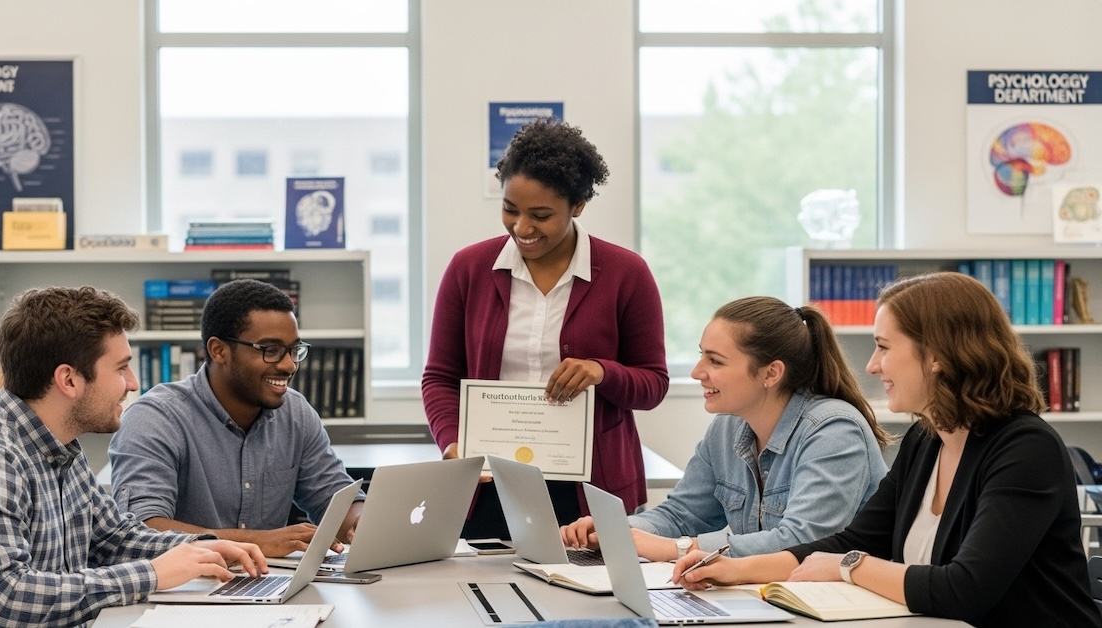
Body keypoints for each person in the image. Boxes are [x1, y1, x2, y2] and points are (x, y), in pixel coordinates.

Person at [673, 272, 1102, 627]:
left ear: (935, 355)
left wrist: (850, 566)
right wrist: (732, 569)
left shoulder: (1026, 449)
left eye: (883, 347)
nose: (873, 365)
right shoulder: (926, 439)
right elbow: (851, 540)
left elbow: (963, 590)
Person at [0, 286, 267, 626]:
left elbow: (113, 539)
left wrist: (202, 549)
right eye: (121, 368)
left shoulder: (59, 446)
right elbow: (5, 599)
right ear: (70, 380)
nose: (134, 383)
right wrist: (153, 575)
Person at [422, 118, 669, 538]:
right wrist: (452, 442)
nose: (521, 228)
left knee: (593, 600)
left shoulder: (627, 273)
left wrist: (602, 371)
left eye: (541, 215)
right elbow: (440, 378)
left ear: (577, 206)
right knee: (484, 596)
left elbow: (653, 384)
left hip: (590, 489)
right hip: (489, 484)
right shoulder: (469, 269)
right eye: (510, 209)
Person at [562, 297, 890, 561]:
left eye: (715, 361)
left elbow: (802, 542)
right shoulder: (727, 426)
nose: (696, 372)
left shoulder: (834, 432)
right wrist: (615, 529)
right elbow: (682, 514)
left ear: (771, 373)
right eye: (701, 356)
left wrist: (679, 549)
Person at [109, 279, 363, 558]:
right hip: (181, 591)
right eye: (270, 350)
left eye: (293, 350)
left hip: (269, 586)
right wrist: (255, 542)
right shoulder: (155, 419)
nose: (289, 365)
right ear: (219, 350)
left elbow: (335, 498)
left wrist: (361, 522)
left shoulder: (296, 413)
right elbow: (141, 531)